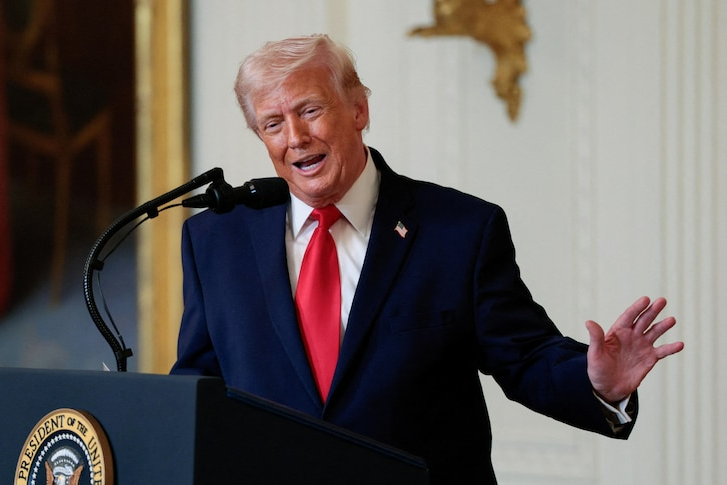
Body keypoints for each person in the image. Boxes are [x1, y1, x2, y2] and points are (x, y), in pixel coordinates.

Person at [170, 34, 683, 484]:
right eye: (272, 124)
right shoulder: (216, 241)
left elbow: (525, 357)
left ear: (358, 109)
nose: (295, 138)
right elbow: (197, 391)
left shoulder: (459, 231)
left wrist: (596, 385)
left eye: (309, 110)